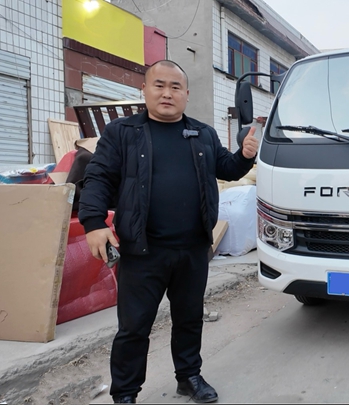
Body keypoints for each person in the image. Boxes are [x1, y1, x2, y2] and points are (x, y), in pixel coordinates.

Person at [78, 59, 258, 404]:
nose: (167, 93)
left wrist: (245, 156)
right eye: (159, 85)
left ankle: (188, 376)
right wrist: (93, 223)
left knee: (189, 319)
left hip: (193, 249)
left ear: (186, 94)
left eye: (175, 87)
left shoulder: (203, 133)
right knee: (134, 327)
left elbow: (228, 169)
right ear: (144, 90)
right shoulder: (122, 132)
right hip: (142, 250)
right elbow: (98, 177)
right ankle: (125, 393)